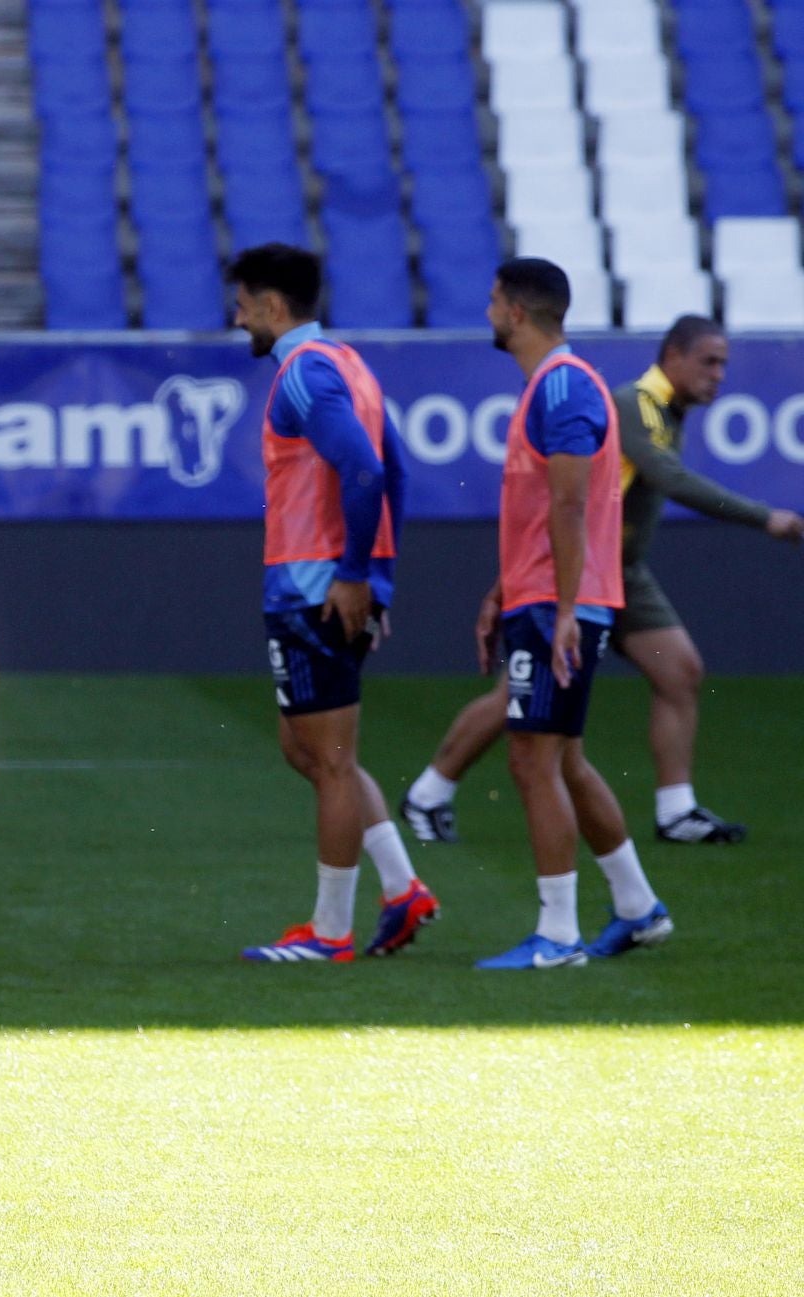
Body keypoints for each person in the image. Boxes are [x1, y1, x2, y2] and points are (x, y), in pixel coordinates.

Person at [400, 315, 803, 846]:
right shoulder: (632, 404)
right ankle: (427, 793)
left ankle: (676, 811)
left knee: (680, 672)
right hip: (581, 572)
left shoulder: (667, 413)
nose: (719, 375)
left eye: (723, 363)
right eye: (709, 361)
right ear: (673, 357)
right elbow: (668, 478)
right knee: (520, 697)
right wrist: (763, 516)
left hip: (623, 574)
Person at [222, 245, 439, 964]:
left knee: (332, 759)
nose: (238, 317)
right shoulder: (347, 363)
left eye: (245, 304)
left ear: (275, 308)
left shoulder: (304, 374)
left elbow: (366, 468)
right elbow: (397, 472)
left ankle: (331, 930)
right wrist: (379, 577)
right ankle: (403, 886)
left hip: (313, 588)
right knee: (307, 750)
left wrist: (354, 575)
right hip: (328, 583)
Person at [471, 258, 672, 970]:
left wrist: (559, 609)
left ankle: (558, 935)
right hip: (552, 595)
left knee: (531, 759)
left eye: (495, 299)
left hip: (565, 604)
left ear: (519, 312)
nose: (488, 309)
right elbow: (542, 513)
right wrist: (505, 584)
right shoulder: (552, 387)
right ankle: (637, 906)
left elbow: (570, 504)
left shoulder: (561, 388)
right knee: (566, 758)